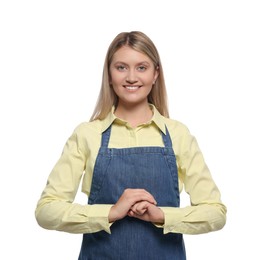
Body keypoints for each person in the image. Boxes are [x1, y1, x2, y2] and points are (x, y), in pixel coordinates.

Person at [35, 31, 227, 259]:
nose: (132, 77)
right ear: (109, 74)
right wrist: (111, 212)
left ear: (156, 74)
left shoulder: (177, 134)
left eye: (142, 67)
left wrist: (162, 216)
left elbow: (216, 212)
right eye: (121, 67)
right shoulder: (88, 134)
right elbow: (46, 210)